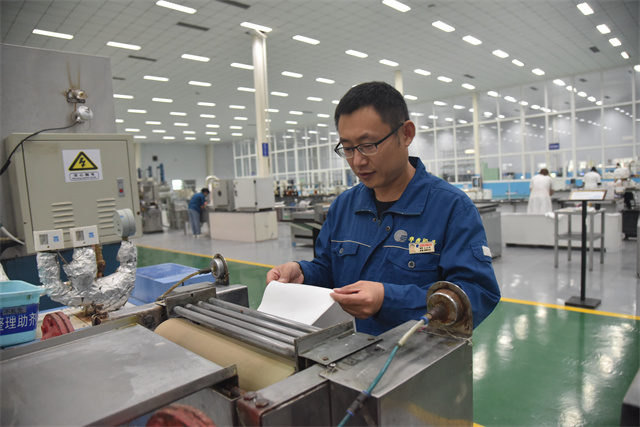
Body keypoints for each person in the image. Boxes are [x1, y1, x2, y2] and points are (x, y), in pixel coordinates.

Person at [266, 81, 500, 336]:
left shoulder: (452, 208)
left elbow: (477, 294)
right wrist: (303, 273)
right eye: (348, 148)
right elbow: (329, 269)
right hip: (348, 350)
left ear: (406, 134)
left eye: (368, 145)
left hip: (419, 355)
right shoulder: (343, 207)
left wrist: (388, 299)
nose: (358, 161)